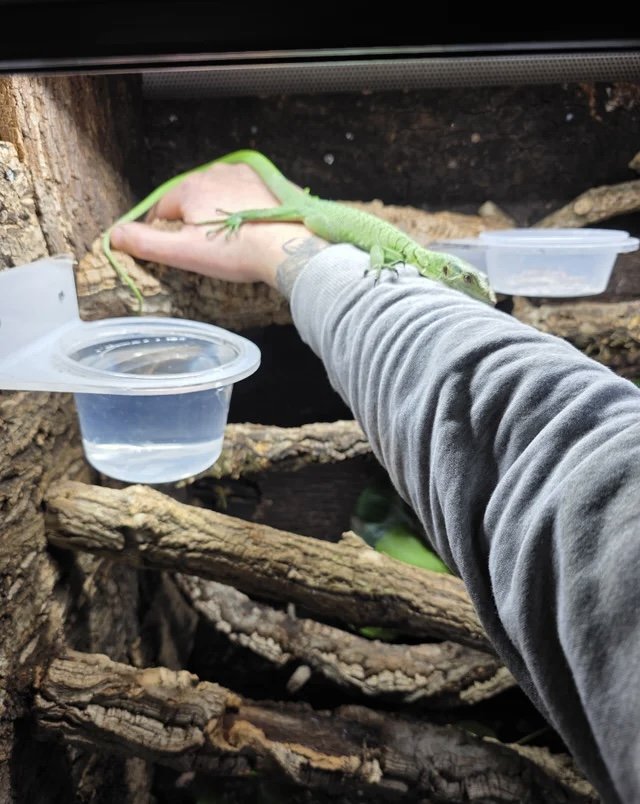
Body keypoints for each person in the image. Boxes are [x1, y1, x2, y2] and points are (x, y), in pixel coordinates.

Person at [110, 161, 640, 804]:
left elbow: (548, 451)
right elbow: (550, 456)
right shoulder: (407, 260)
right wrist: (261, 230)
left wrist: (290, 257)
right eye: (463, 278)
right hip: (318, 226)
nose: (472, 286)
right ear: (443, 272)